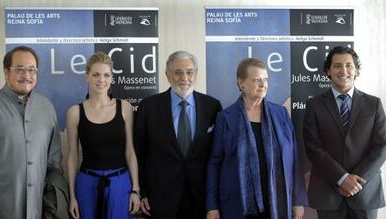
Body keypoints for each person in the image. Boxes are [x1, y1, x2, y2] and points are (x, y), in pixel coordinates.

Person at [206, 58, 308, 219]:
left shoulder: (281, 114)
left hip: (277, 202)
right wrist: (212, 206)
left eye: (265, 79)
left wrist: (298, 200)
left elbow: (294, 159)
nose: (263, 84)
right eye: (256, 79)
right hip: (237, 203)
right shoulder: (225, 118)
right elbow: (215, 163)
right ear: (241, 83)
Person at [0, 46, 62, 219]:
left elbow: (54, 162)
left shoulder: (47, 108)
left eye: (31, 70)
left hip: (39, 207)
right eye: (20, 69)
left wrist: (53, 203)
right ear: (6, 71)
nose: (27, 76)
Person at [135, 50, 222, 219]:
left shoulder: (212, 106)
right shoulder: (148, 107)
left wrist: (215, 199)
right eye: (177, 72)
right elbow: (139, 153)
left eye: (189, 72)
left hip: (201, 197)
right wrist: (142, 192)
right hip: (159, 198)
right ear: (167, 75)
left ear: (195, 75)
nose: (184, 77)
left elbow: (217, 156)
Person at [303, 46, 386, 219]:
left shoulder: (374, 104)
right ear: (328, 70)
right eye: (337, 65)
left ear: (357, 70)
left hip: (365, 193)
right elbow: (313, 147)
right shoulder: (314, 105)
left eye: (349, 65)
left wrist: (355, 181)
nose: (344, 71)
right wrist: (341, 178)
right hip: (328, 194)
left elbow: (381, 147)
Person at [66, 52, 141, 219]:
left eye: (106, 75)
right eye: (96, 75)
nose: (102, 80)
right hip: (87, 184)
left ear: (112, 78)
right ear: (87, 77)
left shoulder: (125, 108)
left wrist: (135, 189)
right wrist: (72, 196)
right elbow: (72, 156)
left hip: (120, 184)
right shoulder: (75, 112)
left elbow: (130, 151)